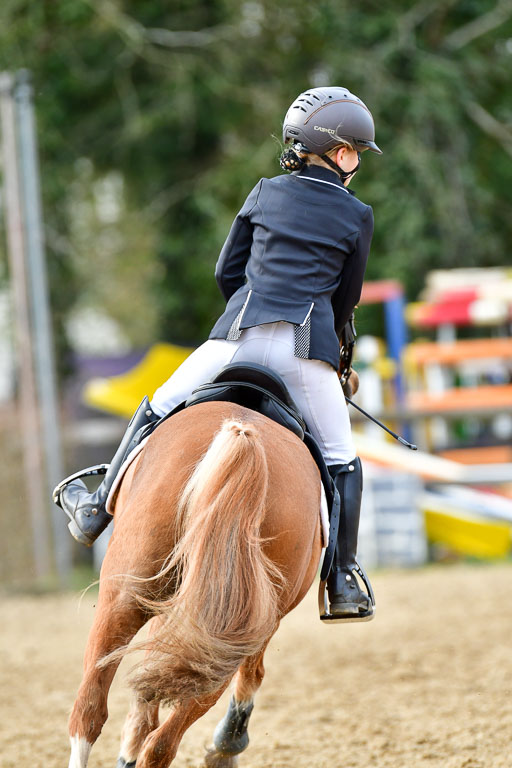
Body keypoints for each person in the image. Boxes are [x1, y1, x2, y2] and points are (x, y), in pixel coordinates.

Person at [55, 85, 381, 621]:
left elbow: (226, 271)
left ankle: (96, 507)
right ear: (335, 151)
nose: (355, 162)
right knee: (342, 458)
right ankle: (343, 578)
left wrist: (248, 310)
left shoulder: (264, 192)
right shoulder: (357, 214)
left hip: (235, 340)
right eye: (353, 151)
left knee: (159, 404)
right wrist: (341, 353)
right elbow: (345, 299)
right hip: (306, 351)